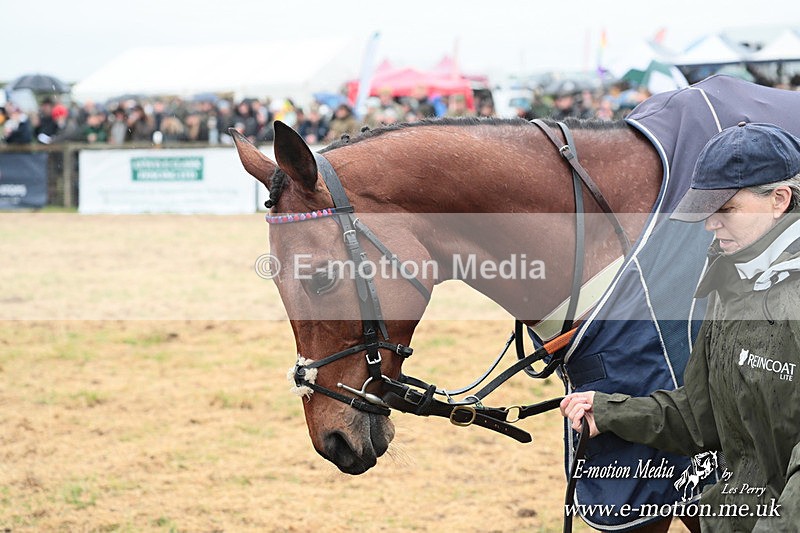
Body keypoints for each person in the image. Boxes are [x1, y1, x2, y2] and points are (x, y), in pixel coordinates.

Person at [560, 122, 800, 532]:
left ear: (779, 200)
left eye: (726, 209)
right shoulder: (732, 280)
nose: (710, 225)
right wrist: (611, 412)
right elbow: (702, 415)